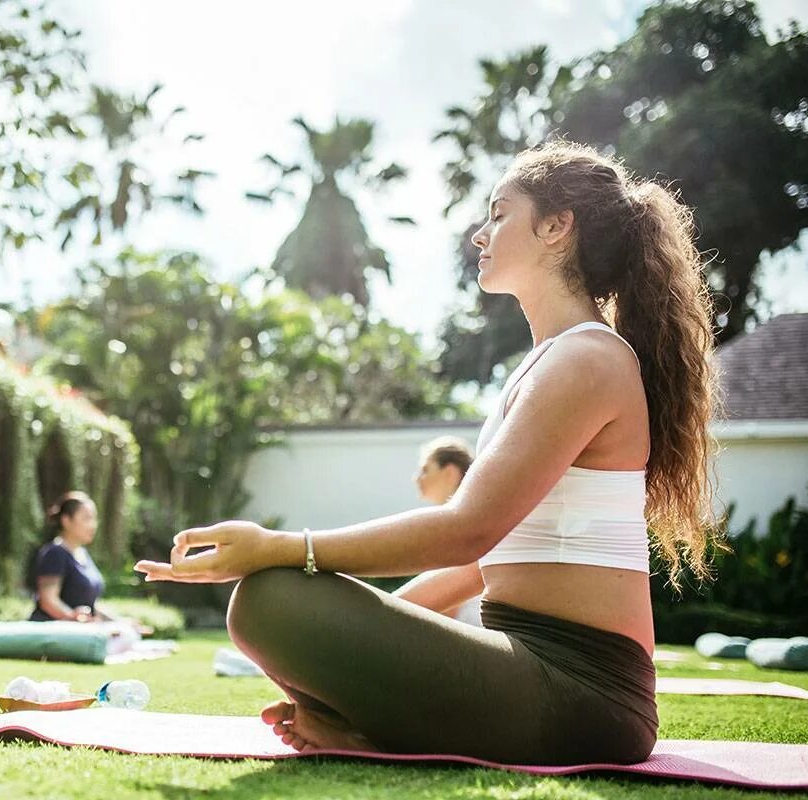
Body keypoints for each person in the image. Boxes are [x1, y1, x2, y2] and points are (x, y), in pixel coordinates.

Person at [135, 140, 719, 765]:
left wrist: (280, 549)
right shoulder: (552, 363)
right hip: (526, 666)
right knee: (279, 599)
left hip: (587, 692)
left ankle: (364, 726)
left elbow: (466, 532)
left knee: (269, 598)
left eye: (499, 213)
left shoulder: (588, 359)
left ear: (556, 226)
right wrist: (368, 622)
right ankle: (361, 727)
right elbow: (482, 564)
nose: (480, 233)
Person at [28, 491, 153, 635]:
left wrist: (119, 622)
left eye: (94, 519)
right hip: (53, 632)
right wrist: (72, 616)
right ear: (66, 520)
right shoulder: (55, 553)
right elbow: (48, 600)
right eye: (86, 518)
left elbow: (91, 605)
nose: (93, 525)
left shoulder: (83, 554)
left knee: (128, 633)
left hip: (80, 631)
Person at [397, 437, 482, 627]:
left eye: (425, 469)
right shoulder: (463, 523)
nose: (417, 478)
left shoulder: (460, 528)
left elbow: (446, 609)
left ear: (450, 473)